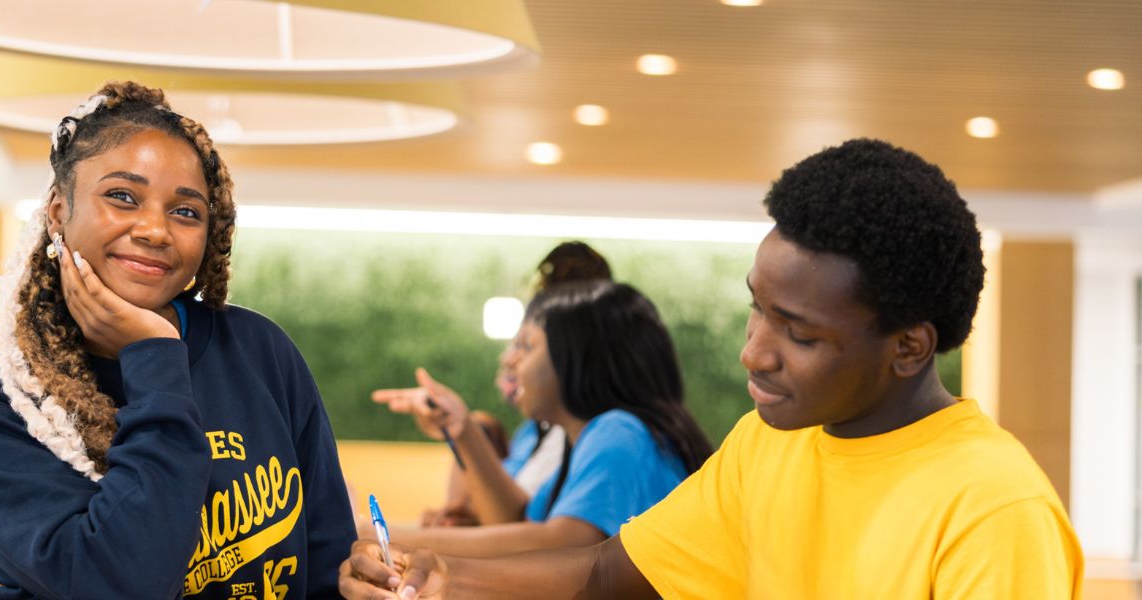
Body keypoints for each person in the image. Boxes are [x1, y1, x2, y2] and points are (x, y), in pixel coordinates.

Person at [340, 138, 1083, 599]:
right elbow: (605, 574)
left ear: (910, 348)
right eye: (758, 310)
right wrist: (443, 576)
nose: (754, 351)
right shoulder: (770, 443)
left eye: (798, 333)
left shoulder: (994, 511)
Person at [0, 81, 355, 599]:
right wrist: (154, 358)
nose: (156, 230)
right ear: (59, 212)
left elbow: (328, 562)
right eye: (122, 197)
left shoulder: (258, 349)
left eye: (186, 211)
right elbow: (123, 585)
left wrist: (360, 580)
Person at [373, 282, 712, 558]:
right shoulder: (584, 439)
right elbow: (513, 524)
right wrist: (461, 429)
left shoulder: (620, 432)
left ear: (576, 358)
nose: (510, 360)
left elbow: (558, 546)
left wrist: (382, 537)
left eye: (526, 345)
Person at [373, 242, 612, 527]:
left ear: (573, 352)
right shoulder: (539, 434)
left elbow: (542, 542)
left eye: (527, 345)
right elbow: (519, 527)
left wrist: (389, 536)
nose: (510, 359)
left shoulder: (609, 435)